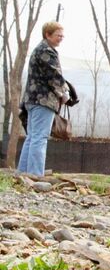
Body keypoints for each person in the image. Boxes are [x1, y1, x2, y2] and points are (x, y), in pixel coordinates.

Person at [17, 22, 70, 177]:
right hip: (43, 101)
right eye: (58, 35)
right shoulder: (47, 51)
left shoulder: (38, 49)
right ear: (47, 34)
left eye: (62, 35)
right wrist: (64, 95)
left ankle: (23, 173)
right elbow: (54, 76)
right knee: (40, 138)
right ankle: (35, 174)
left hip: (32, 100)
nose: (61, 38)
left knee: (32, 137)